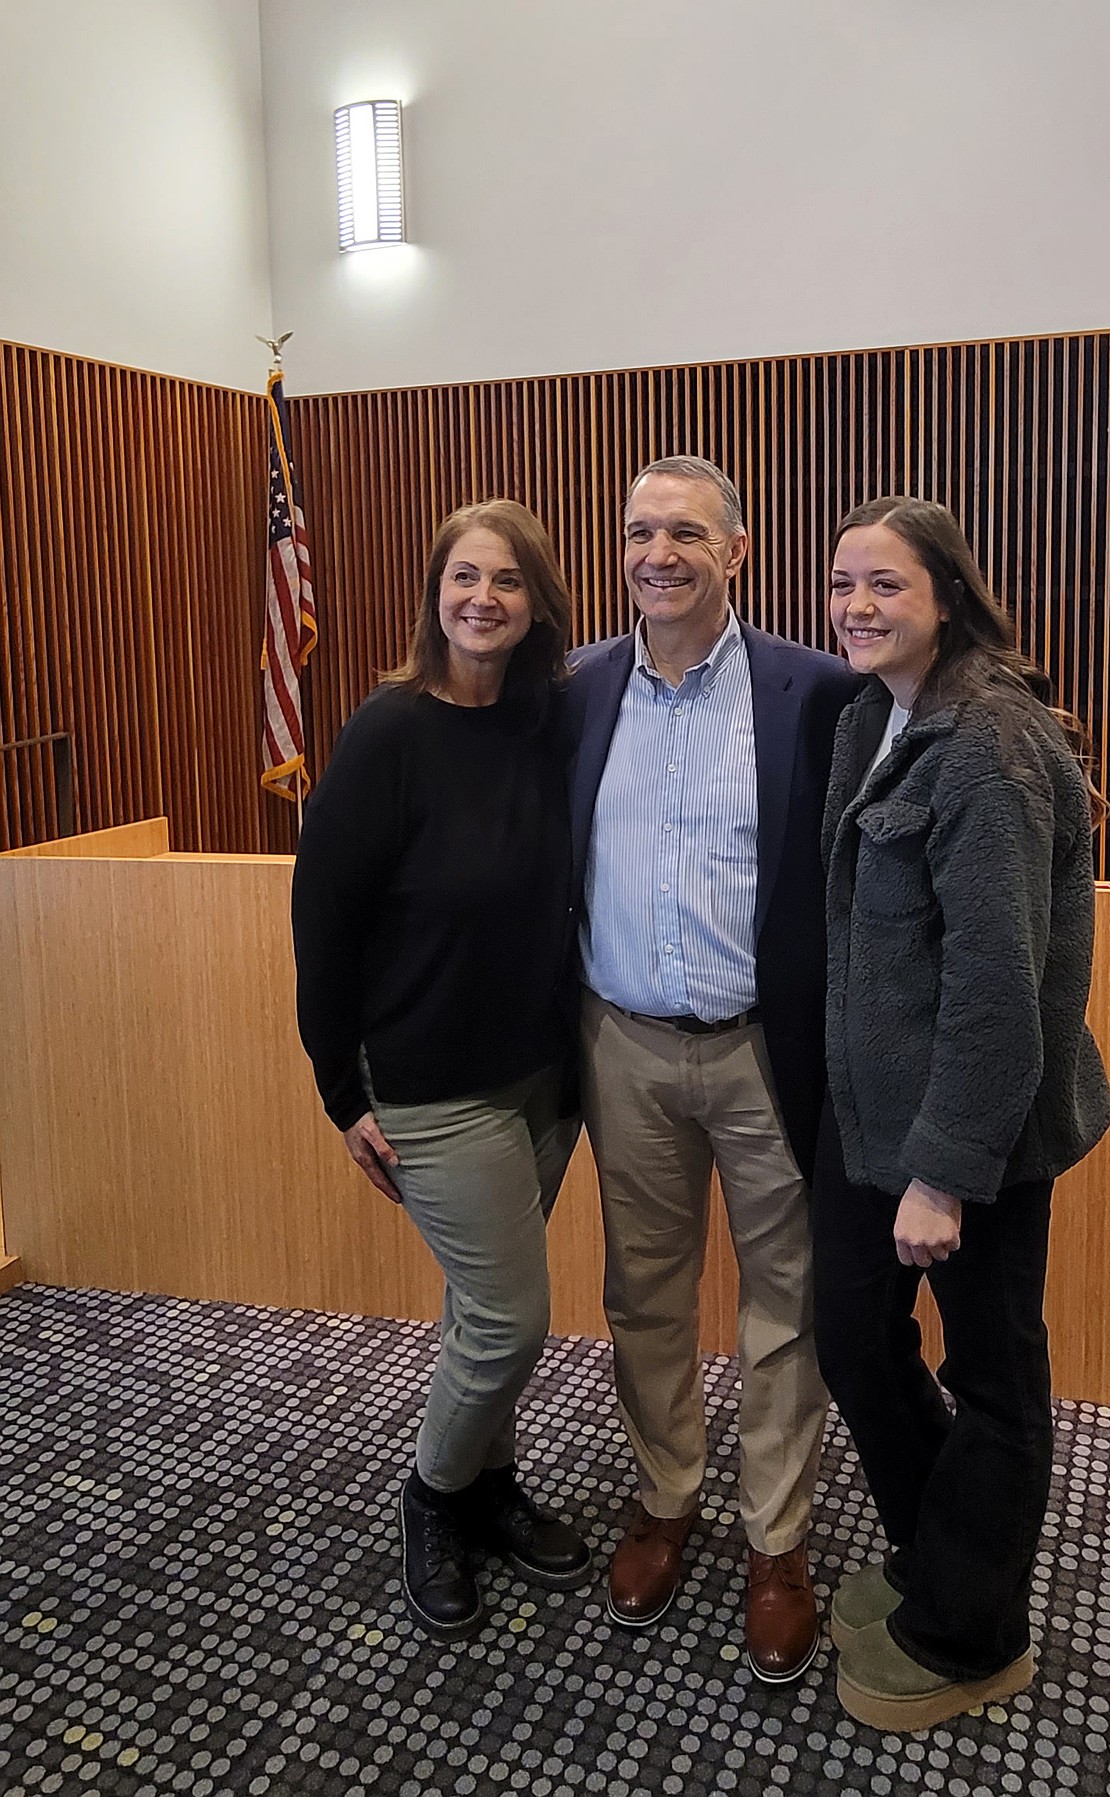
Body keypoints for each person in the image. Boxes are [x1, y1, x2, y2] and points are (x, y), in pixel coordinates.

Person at [814, 495, 1110, 1730]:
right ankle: (951, 1550)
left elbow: (1000, 993)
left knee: (993, 1376)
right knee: (855, 1340)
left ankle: (972, 1630)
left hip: (973, 1138)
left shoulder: (988, 745)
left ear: (946, 594)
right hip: (869, 1121)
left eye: (886, 585)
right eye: (841, 583)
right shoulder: (872, 718)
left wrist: (943, 1173)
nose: (857, 608)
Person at [563, 455, 860, 1684]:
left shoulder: (816, 691)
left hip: (765, 1051)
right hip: (621, 1044)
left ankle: (777, 1541)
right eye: (639, 532)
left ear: (737, 551)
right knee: (645, 1292)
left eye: (686, 532)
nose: (658, 554)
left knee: (788, 1304)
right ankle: (666, 1495)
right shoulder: (574, 688)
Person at [291, 499, 591, 1643]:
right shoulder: (387, 733)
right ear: (435, 592)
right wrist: (340, 1093)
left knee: (479, 1305)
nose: (483, 598)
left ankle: (487, 1487)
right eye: (464, 577)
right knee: (512, 1322)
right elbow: (321, 921)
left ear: (535, 605)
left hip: (542, 1079)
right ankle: (431, 1495)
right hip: (432, 1086)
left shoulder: (547, 721)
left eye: (508, 582)